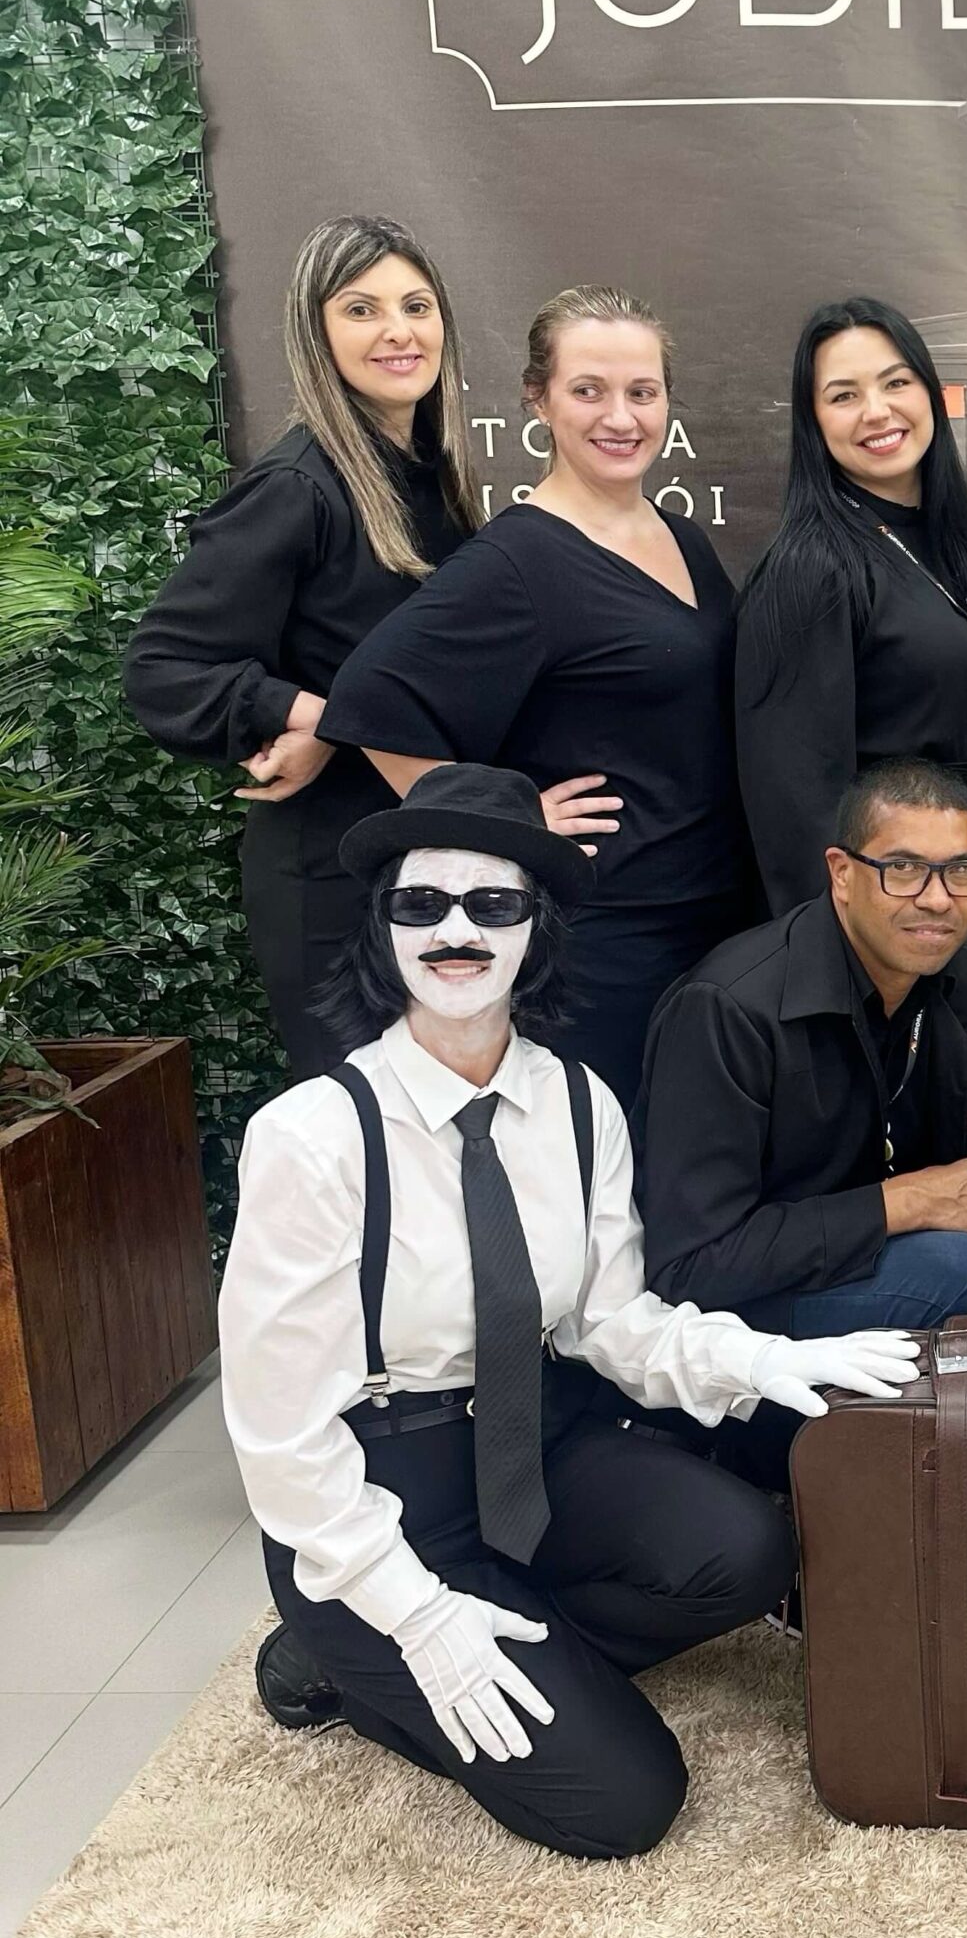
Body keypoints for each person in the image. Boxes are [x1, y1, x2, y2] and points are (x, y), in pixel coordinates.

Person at [220, 762, 916, 1860]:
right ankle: (363, 1667)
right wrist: (419, 1616)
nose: (457, 931)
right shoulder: (313, 1136)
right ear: (383, 927)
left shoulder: (579, 1102)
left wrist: (766, 1361)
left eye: (493, 904)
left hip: (533, 1447)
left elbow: (609, 1322)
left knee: (746, 1551)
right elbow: (280, 1435)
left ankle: (492, 1653)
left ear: (536, 929)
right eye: (422, 903)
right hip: (381, 1487)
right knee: (624, 1801)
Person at [319, 288, 755, 1105]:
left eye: (641, 391)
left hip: (716, 925)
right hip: (611, 945)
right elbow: (371, 700)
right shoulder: (517, 560)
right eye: (588, 390)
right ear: (537, 399)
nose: (620, 417)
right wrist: (499, 822)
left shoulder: (681, 537)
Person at [124, 215, 481, 1072]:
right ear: (316, 333)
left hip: (433, 873)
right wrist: (318, 715)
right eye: (361, 309)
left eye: (416, 305)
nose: (398, 331)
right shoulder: (296, 487)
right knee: (368, 1136)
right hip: (331, 890)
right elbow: (162, 670)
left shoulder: (434, 479)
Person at [639, 760, 967, 1417]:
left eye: (961, 871)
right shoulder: (729, 1008)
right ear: (841, 873)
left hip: (870, 1275)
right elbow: (687, 1267)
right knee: (962, 1273)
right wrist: (901, 1203)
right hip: (739, 1328)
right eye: (904, 869)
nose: (937, 899)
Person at [736, 299, 967, 918]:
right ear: (813, 421)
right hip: (892, 912)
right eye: (844, 396)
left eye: (895, 383)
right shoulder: (807, 570)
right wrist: (837, 954)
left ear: (930, 392)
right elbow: (797, 809)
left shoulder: (959, 546)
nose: (877, 411)